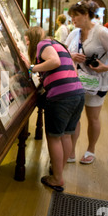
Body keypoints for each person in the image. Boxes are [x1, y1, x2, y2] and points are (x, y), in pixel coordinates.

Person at [20, 27, 85, 192]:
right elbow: (68, 68)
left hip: (61, 97)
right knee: (66, 135)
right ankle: (58, 172)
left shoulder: (42, 44)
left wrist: (30, 68)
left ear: (33, 39)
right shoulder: (58, 44)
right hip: (77, 93)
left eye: (27, 41)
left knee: (54, 137)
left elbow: (54, 62)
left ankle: (56, 178)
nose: (27, 44)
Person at [65, 0, 108, 165]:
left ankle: (91, 149)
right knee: (74, 118)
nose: (73, 19)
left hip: (96, 82)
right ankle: (70, 151)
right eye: (72, 16)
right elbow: (64, 51)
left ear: (85, 15)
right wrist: (72, 56)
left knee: (93, 117)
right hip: (76, 82)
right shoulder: (74, 33)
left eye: (75, 15)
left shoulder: (101, 32)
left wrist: (106, 67)